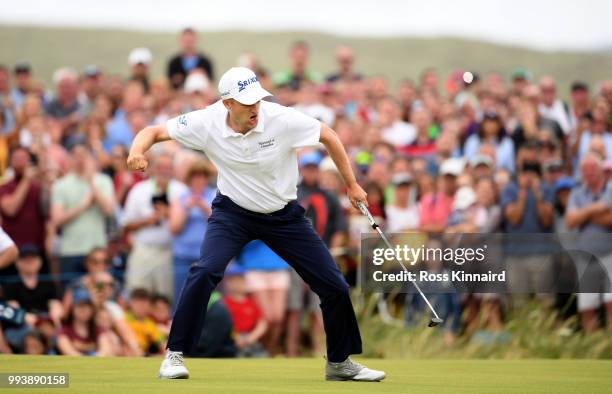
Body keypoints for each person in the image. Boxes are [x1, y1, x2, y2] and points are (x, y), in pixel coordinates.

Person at [127, 67, 384, 381]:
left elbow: (328, 135)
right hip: (232, 214)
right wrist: (137, 151)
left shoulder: (281, 119)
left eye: (258, 100)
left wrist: (351, 184)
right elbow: (152, 132)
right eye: (246, 102)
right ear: (227, 104)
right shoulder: (205, 122)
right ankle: (174, 355)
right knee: (206, 270)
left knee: (334, 286)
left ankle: (340, 363)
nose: (255, 108)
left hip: (284, 216)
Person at [123, 151, 188, 301]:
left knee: (166, 297)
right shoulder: (139, 190)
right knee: (138, 293)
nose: (164, 171)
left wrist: (169, 214)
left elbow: (189, 224)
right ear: (152, 168)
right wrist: (147, 221)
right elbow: (126, 225)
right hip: (144, 250)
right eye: (160, 167)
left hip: (170, 252)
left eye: (168, 167)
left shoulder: (181, 190)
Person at [51, 145, 115, 277]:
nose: (80, 160)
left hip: (97, 250)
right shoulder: (61, 185)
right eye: (76, 156)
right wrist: (83, 205)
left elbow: (109, 210)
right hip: (71, 250)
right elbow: (57, 219)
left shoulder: (103, 181)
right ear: (70, 159)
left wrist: (91, 181)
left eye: (84, 156)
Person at [565, 154, 612, 332]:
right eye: (585, 169)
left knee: (611, 304)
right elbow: (570, 222)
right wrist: (597, 208)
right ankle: (593, 348)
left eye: (593, 168)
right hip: (586, 258)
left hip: (610, 254)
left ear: (601, 170)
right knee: (587, 308)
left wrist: (583, 216)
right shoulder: (576, 193)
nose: (589, 172)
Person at [169, 160, 216, 305]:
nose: (199, 180)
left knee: (208, 299)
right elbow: (174, 228)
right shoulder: (180, 198)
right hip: (183, 256)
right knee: (181, 298)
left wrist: (204, 208)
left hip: (206, 256)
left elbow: (220, 223)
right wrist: (187, 208)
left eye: (202, 176)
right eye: (195, 176)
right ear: (189, 179)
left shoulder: (214, 196)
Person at [221, 264, 268, 357]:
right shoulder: (223, 303)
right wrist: (235, 337)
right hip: (231, 341)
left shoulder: (252, 303)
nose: (237, 284)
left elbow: (262, 323)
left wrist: (251, 337)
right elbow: (223, 324)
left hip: (250, 339)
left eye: (240, 280)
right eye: (233, 280)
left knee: (261, 357)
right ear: (227, 283)